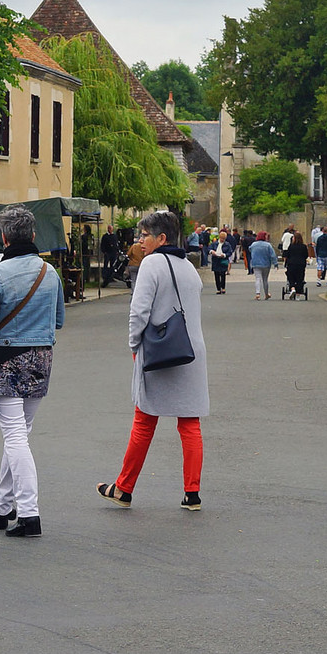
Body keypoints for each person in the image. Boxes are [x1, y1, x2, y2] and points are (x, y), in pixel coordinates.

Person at [98, 210, 208, 510]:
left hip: (159, 351)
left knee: (144, 420)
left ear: (162, 238)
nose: (140, 240)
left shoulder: (152, 263)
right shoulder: (188, 266)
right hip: (190, 351)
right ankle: (192, 493)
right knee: (190, 422)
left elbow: (139, 311)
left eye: (145, 235)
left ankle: (124, 487)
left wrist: (134, 346)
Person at [0, 205, 65, 538]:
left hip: (6, 360)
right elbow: (58, 320)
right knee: (20, 434)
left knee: (14, 437)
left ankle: (29, 514)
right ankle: (2, 507)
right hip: (41, 359)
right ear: (34, 235)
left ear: (5, 238)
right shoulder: (49, 273)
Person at [248, 230, 277, 299]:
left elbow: (250, 249)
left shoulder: (254, 244)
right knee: (265, 279)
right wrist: (275, 263)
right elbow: (273, 255)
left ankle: (258, 293)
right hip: (266, 264)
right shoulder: (268, 245)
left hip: (256, 263)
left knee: (257, 278)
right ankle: (266, 294)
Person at [283, 231, 309, 297]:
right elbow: (306, 255)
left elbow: (287, 255)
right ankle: (298, 293)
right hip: (301, 264)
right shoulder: (303, 246)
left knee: (290, 276)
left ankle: (292, 288)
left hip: (291, 264)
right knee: (300, 278)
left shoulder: (291, 246)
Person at [208, 228, 232, 294]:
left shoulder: (227, 244)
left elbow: (230, 252)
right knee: (216, 275)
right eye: (221, 238)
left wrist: (224, 255)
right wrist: (211, 251)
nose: (222, 240)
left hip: (223, 260)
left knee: (223, 274)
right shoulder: (214, 243)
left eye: (224, 239)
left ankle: (223, 287)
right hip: (215, 260)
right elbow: (209, 249)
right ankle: (218, 289)